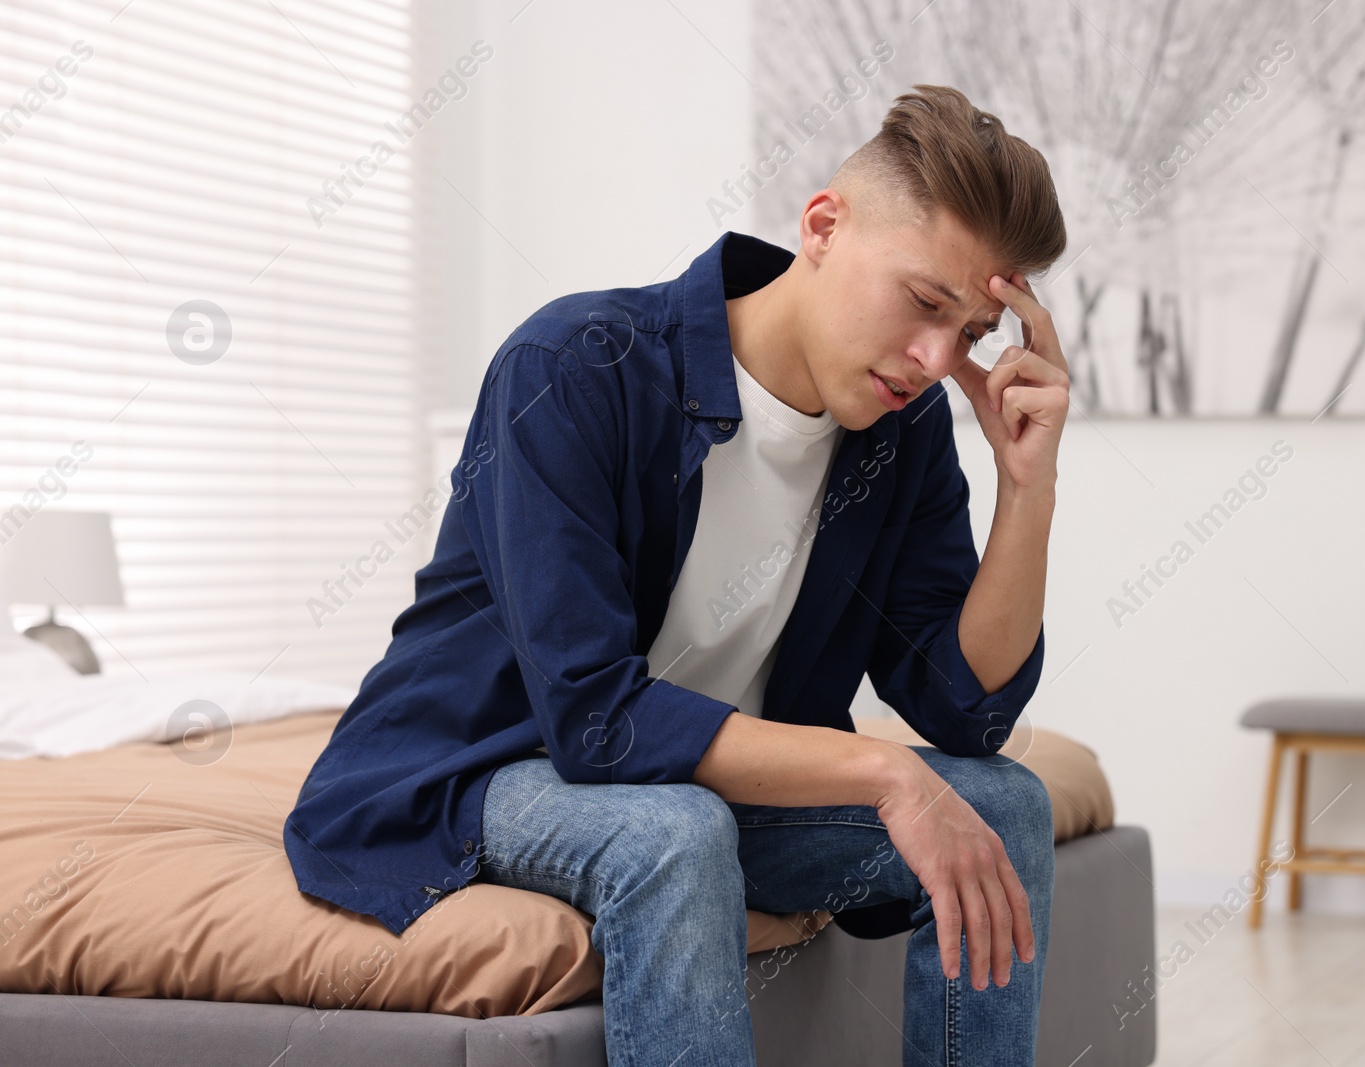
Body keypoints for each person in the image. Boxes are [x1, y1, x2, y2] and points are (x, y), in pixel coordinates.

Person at [284, 82, 1070, 1065]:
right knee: (676, 829)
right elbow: (595, 718)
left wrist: (1025, 487)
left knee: (1006, 802)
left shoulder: (900, 435)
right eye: (923, 302)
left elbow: (967, 713)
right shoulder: (574, 366)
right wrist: (879, 769)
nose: (932, 356)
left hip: (694, 778)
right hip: (482, 769)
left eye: (968, 335)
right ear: (823, 224)